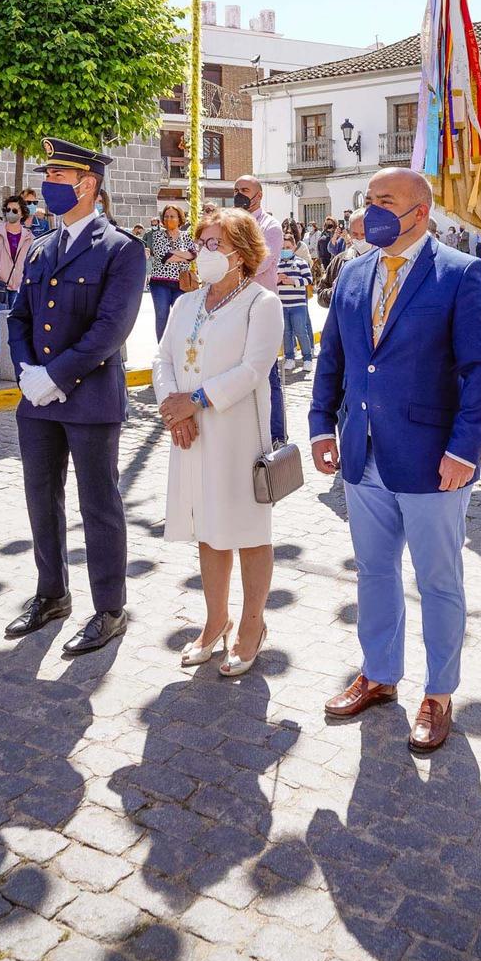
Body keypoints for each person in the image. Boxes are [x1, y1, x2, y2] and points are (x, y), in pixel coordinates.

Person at [310, 167, 481, 754]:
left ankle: (439, 692)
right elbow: (334, 359)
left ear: (419, 211)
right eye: (368, 201)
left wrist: (464, 450)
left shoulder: (461, 273)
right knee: (373, 572)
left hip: (432, 459)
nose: (372, 211)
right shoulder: (352, 270)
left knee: (438, 581)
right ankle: (379, 674)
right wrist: (322, 426)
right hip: (363, 453)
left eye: (384, 201)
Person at [5, 139, 147, 656]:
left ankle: (110, 607)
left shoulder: (122, 249)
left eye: (58, 178)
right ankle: (51, 593)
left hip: (88, 397)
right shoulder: (42, 248)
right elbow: (20, 317)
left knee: (98, 505)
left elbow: (111, 328)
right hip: (37, 399)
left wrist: (56, 376)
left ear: (87, 185)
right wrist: (26, 371)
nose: (48, 187)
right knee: (41, 498)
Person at [154, 207, 284, 676]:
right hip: (190, 434)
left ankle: (252, 624)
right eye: (200, 243)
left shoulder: (260, 303)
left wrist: (197, 400)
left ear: (242, 252)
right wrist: (173, 408)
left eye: (214, 244)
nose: (203, 253)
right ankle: (215, 621)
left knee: (247, 531)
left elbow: (253, 370)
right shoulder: (187, 302)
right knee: (207, 529)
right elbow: (164, 357)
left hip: (237, 434)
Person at [231, 175, 288, 445]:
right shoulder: (229, 224)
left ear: (259, 195)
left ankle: (277, 433)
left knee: (268, 372)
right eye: (236, 190)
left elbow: (260, 264)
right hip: (233, 306)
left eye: (245, 190)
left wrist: (229, 270)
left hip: (260, 307)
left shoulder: (271, 226)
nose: (239, 194)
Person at [0, 197, 35, 375]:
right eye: (7, 210)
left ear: (22, 212)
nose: (10, 213)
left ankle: (15, 355)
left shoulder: (29, 236)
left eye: (14, 210)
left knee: (18, 320)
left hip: (20, 283)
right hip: (0, 282)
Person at [142, 204, 198, 339]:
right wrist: (182, 256)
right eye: (166, 217)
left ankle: (178, 346)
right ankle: (162, 350)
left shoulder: (186, 236)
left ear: (179, 218)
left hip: (181, 283)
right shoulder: (157, 235)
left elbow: (193, 255)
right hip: (160, 283)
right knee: (162, 316)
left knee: (181, 316)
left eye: (172, 216)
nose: (168, 219)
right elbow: (163, 257)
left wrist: (174, 253)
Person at [276, 226, 316, 375]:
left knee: (301, 331)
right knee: (286, 332)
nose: (285, 249)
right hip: (283, 304)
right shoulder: (277, 264)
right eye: (282, 247)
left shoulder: (301, 263)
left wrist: (293, 281)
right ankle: (289, 357)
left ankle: (307, 358)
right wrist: (277, 279)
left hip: (298, 305)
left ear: (293, 247)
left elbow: (308, 280)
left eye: (288, 247)